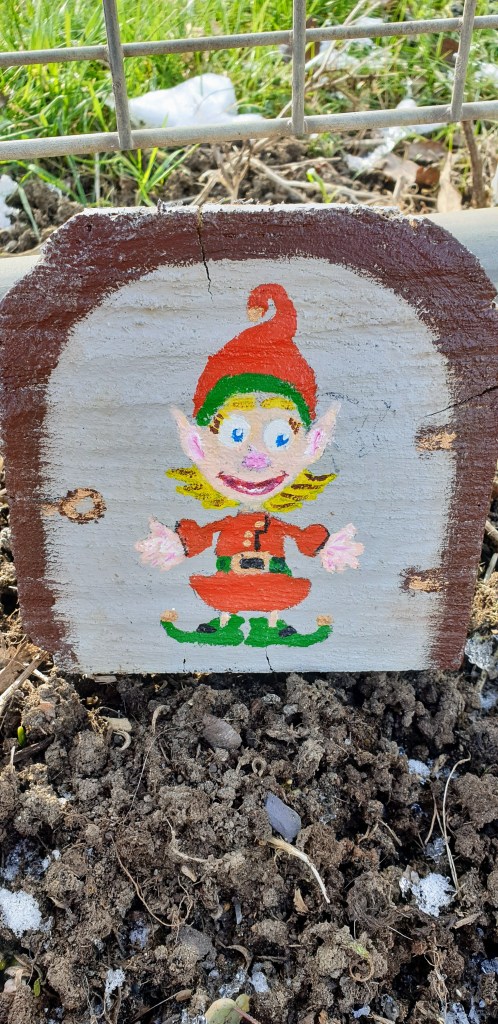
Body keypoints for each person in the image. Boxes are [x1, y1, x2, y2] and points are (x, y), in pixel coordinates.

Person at [136, 283, 363, 647]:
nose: (255, 460)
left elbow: (301, 537)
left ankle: (269, 627)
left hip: (272, 572)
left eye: (280, 437)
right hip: (230, 572)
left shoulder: (274, 515)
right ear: (195, 442)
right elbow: (204, 534)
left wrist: (325, 547)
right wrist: (178, 543)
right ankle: (226, 625)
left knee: (274, 593)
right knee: (227, 592)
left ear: (314, 444)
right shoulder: (230, 514)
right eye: (233, 434)